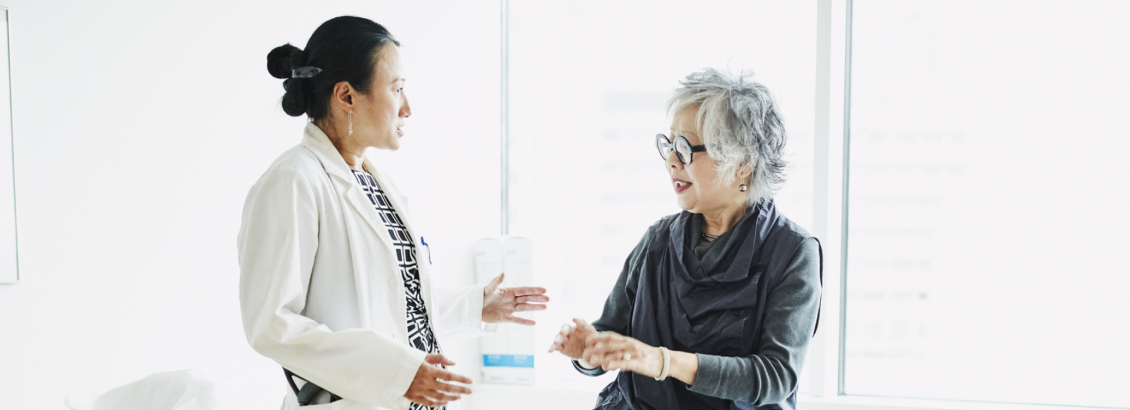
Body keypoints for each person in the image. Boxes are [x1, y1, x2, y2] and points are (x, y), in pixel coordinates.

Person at [238, 16, 548, 410]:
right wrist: (395, 373)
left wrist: (475, 307)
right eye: (397, 89)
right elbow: (272, 326)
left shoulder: (377, 184)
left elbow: (388, 305)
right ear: (346, 96)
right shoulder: (293, 181)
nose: (408, 108)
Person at [549, 68, 822, 410]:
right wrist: (588, 351)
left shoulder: (793, 252)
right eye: (668, 144)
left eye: (685, 147)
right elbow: (610, 337)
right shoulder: (658, 241)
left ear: (742, 163)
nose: (671, 161)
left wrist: (663, 362)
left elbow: (776, 377)